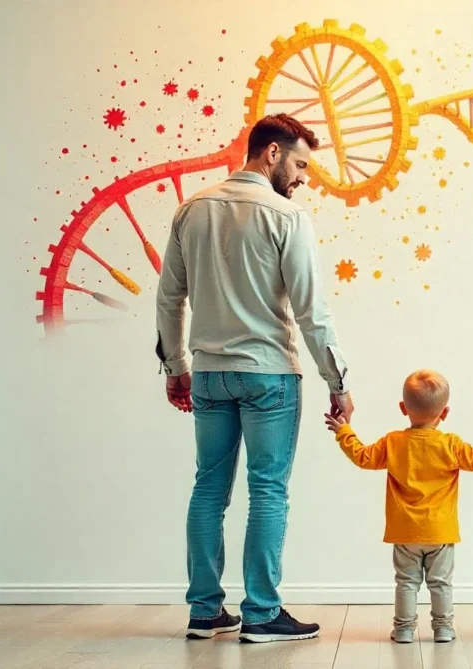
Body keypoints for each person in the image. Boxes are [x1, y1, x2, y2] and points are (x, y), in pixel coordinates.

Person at [155, 113, 354, 644]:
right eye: (300, 163)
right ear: (271, 153)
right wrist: (337, 380)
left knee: (208, 488)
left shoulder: (191, 209)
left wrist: (177, 367)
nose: (304, 176)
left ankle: (204, 612)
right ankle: (262, 614)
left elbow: (169, 297)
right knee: (268, 491)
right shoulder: (288, 217)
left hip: (210, 375)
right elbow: (313, 310)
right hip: (268, 374)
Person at [324, 370, 473, 644]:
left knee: (406, 583)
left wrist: (344, 431)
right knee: (440, 583)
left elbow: (363, 457)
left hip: (404, 531)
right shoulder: (450, 444)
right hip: (440, 533)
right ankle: (443, 629)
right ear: (445, 412)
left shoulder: (393, 442)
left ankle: (404, 629)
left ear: (403, 408)